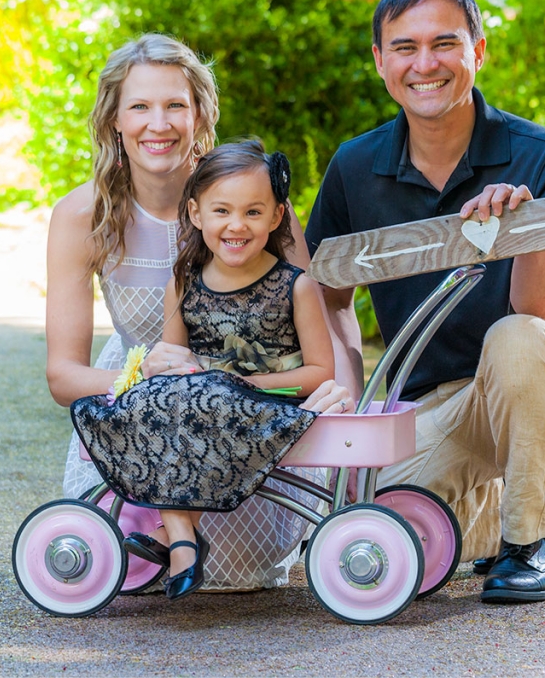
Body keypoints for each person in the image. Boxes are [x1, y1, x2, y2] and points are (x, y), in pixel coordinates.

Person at [305, 0, 545, 604]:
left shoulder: (543, 155)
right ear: (381, 61)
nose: (426, 64)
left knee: (516, 337)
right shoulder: (354, 166)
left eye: (445, 43)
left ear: (478, 50)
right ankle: (485, 518)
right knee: (368, 538)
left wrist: (526, 232)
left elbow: (543, 316)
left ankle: (527, 543)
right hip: (435, 403)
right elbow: (327, 295)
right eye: (405, 48)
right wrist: (355, 404)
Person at [46, 33, 350, 592]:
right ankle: (160, 531)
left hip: (249, 397)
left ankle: (182, 535)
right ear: (114, 117)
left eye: (174, 105)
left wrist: (339, 425)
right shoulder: (81, 216)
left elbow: (313, 328)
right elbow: (63, 376)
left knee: (236, 571)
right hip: (138, 389)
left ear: (201, 113)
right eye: (139, 106)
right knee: (117, 559)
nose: (156, 124)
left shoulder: (247, 200)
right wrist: (143, 381)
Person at [120, 140, 335, 600]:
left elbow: (319, 372)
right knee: (152, 399)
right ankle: (183, 538)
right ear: (197, 214)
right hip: (203, 405)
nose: (236, 225)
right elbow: (173, 361)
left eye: (253, 213)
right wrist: (164, 369)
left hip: (270, 409)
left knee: (209, 399)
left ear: (277, 217)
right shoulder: (184, 282)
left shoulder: (295, 287)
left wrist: (247, 383)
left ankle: (177, 540)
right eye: (222, 211)